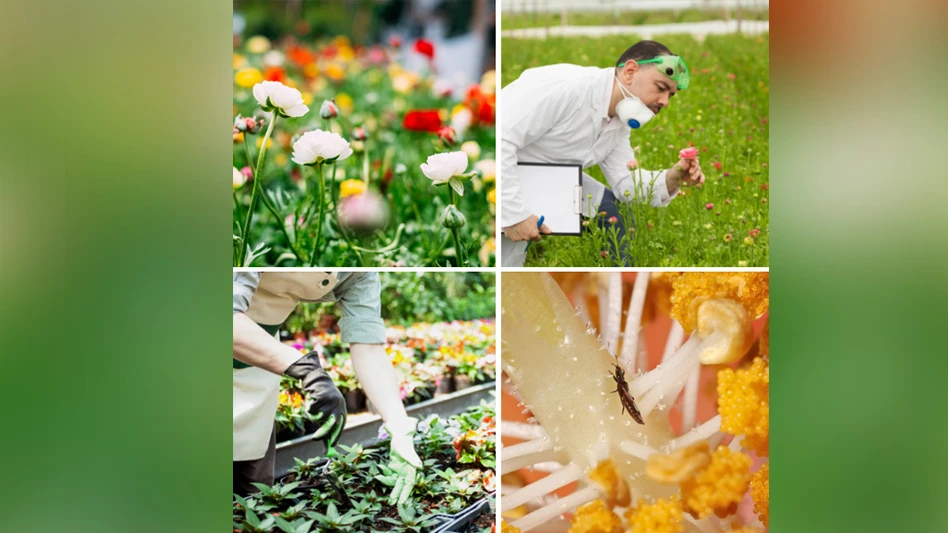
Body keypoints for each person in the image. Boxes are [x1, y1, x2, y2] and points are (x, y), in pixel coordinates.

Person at [500, 40, 706, 267]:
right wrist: (514, 215)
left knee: (611, 214)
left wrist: (673, 176)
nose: (665, 102)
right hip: (499, 177)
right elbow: (500, 138)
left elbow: (626, 183)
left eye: (671, 95)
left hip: (544, 181)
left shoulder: (618, 122)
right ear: (630, 72)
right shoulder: (570, 88)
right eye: (660, 87)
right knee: (500, 264)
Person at [232, 271, 420, 505]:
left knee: (252, 497)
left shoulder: (360, 272)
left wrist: (399, 427)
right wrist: (306, 369)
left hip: (259, 359)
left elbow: (368, 345)